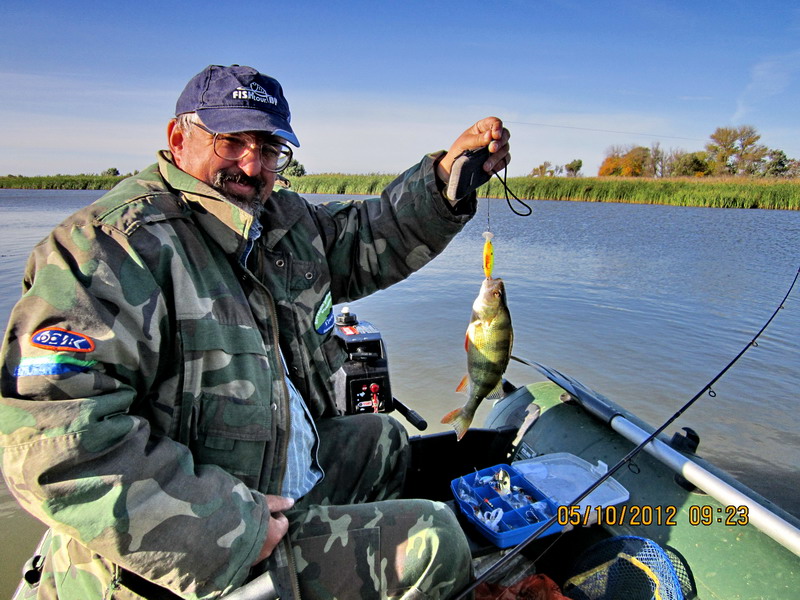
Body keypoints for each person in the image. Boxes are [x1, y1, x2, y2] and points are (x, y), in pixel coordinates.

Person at [0, 64, 511, 600]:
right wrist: (228, 530)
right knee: (435, 541)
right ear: (179, 138)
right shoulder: (109, 250)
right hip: (183, 549)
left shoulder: (280, 222)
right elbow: (53, 446)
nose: (252, 164)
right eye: (231, 141)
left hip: (271, 483)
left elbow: (369, 235)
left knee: (382, 440)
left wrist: (445, 182)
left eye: (268, 149)